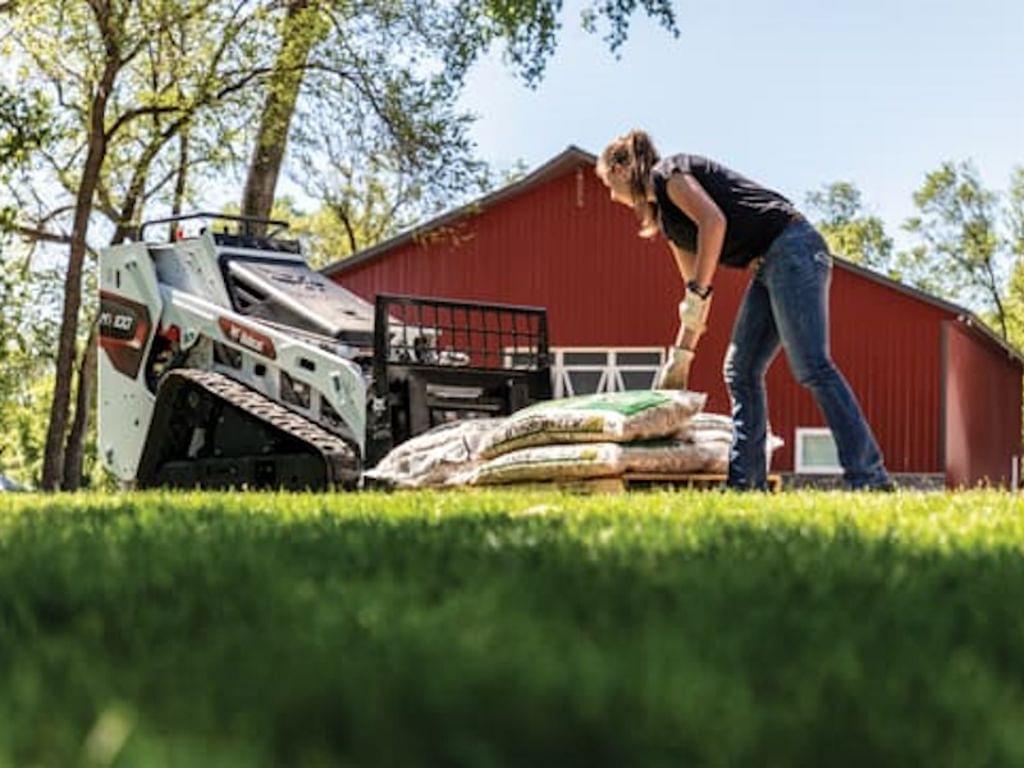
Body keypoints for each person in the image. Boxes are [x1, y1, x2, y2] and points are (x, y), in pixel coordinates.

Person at [595, 130, 893, 491]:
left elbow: (713, 223)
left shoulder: (669, 173)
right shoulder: (670, 222)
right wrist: (681, 357)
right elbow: (695, 297)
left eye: (606, 180)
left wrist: (698, 292)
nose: (609, 193)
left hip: (794, 247)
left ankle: (869, 476)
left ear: (620, 168)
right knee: (740, 370)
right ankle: (745, 484)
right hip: (770, 265)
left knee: (812, 365)